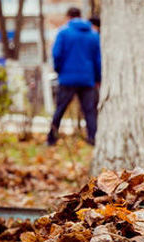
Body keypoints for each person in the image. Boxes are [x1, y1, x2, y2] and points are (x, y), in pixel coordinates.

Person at [48, 7, 101, 146]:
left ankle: (51, 138)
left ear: (68, 17)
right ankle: (93, 139)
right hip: (87, 79)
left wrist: (59, 70)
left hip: (67, 78)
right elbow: (98, 60)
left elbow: (56, 54)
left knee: (60, 109)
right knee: (89, 112)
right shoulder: (93, 35)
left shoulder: (63, 33)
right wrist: (97, 79)